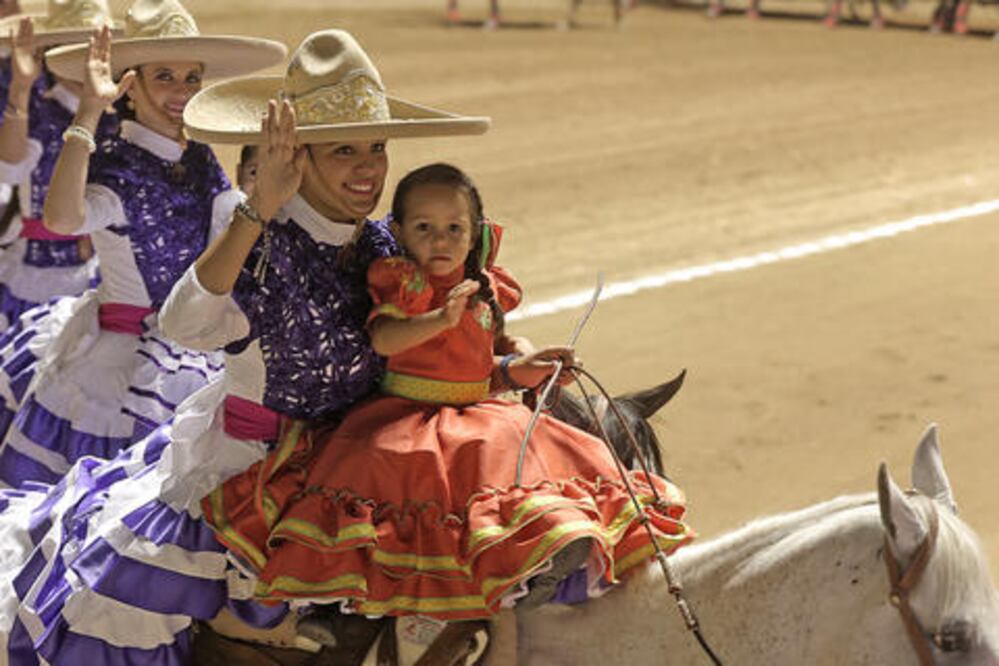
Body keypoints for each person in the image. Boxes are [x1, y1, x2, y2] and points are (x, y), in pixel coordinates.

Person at [0, 28, 489, 663]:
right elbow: (182, 324)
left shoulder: (381, 245)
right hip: (247, 477)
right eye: (344, 150)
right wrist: (256, 209)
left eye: (376, 146)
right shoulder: (267, 243)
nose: (370, 168)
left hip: (348, 470)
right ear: (300, 156)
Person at [203, 162, 694, 662]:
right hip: (406, 420)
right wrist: (440, 317)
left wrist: (528, 368)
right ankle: (358, 616)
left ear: (475, 233)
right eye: (424, 228)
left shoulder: (484, 292)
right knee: (412, 523)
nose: (440, 240)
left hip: (475, 414)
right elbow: (385, 338)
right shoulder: (404, 283)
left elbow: (482, 370)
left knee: (529, 475)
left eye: (453, 229)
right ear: (397, 233)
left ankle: (538, 568)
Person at [0, 0, 285, 488]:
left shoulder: (198, 157)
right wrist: (88, 113)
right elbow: (64, 218)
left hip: (196, 349)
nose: (182, 91)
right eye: (165, 77)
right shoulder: (116, 162)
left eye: (192, 78)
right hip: (121, 369)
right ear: (129, 84)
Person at [0, 2, 121, 332]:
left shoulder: (117, 124)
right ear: (53, 54)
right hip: (29, 273)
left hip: (95, 274)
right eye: (77, 52)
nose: (88, 65)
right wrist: (21, 89)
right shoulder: (39, 112)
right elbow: (9, 168)